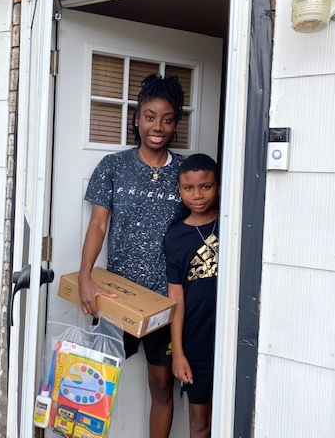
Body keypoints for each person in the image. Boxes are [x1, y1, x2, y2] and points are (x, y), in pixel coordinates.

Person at [78, 73, 187, 438]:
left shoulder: (185, 173)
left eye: (167, 118)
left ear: (176, 124)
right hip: (116, 297)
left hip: (163, 301)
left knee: (161, 386)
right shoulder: (113, 166)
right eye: (150, 116)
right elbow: (98, 226)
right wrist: (85, 279)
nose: (158, 126)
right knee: (95, 377)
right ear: (137, 119)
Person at [164, 153, 220, 438]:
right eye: (189, 188)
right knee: (199, 421)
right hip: (195, 341)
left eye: (205, 186)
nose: (197, 195)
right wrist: (178, 353)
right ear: (180, 190)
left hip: (229, 339)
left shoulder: (232, 226)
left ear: (218, 186)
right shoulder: (175, 237)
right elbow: (176, 300)